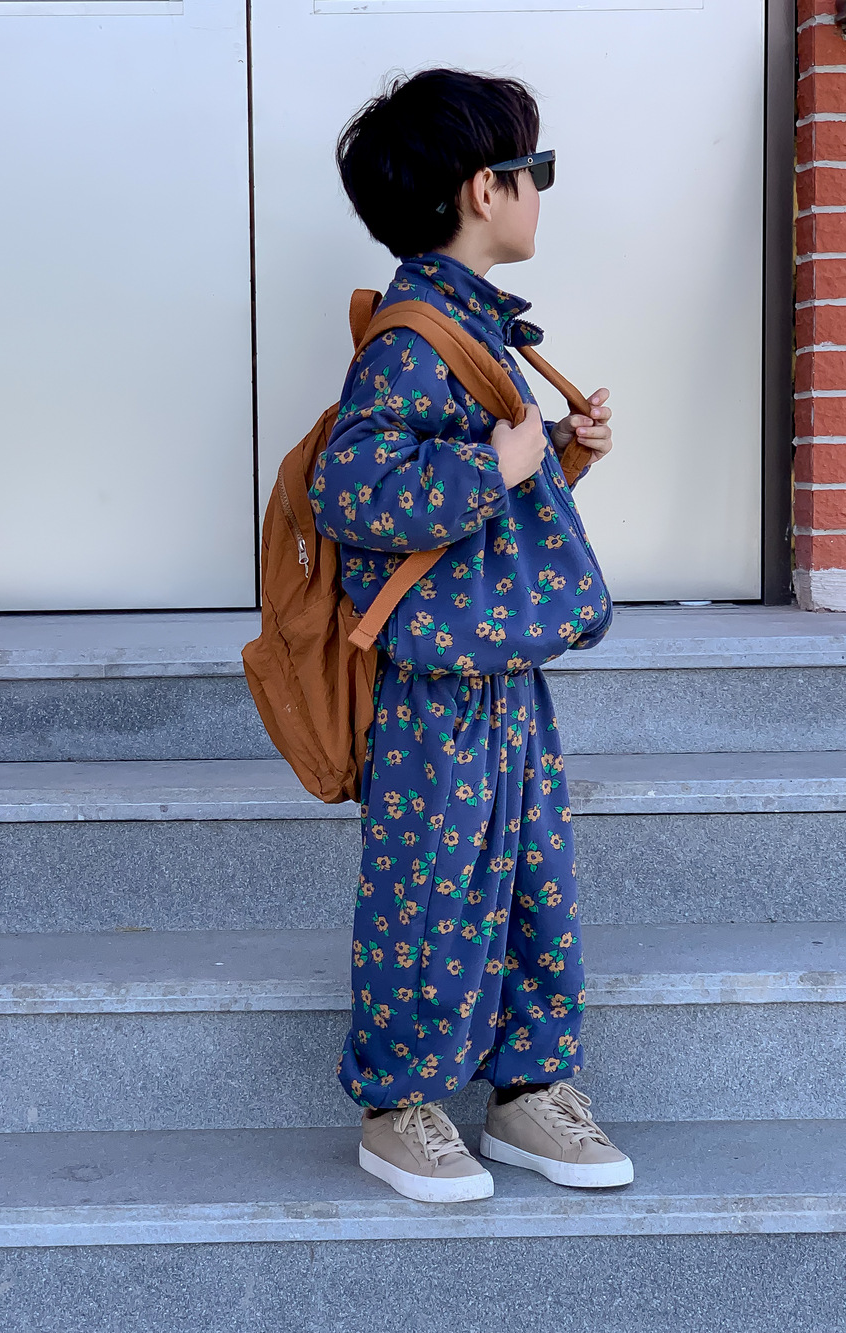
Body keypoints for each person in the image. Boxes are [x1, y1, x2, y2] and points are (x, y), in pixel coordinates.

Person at [308, 68, 633, 1203]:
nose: (541, 190)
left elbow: (481, 523)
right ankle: (398, 1108)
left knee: (535, 885)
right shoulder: (411, 339)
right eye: (532, 169)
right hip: (430, 687)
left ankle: (528, 1091)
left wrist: (561, 452)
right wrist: (492, 464)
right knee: (428, 892)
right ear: (481, 190)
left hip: (500, 675)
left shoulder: (475, 327)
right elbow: (351, 490)